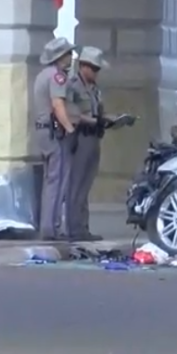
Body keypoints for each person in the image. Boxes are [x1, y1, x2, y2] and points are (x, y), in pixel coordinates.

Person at [57, 46, 131, 242]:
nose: (97, 73)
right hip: (78, 137)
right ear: (83, 66)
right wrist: (95, 121)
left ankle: (83, 227)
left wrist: (112, 120)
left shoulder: (94, 89)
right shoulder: (72, 86)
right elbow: (72, 113)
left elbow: (98, 112)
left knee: (85, 185)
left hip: (93, 138)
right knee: (75, 184)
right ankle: (73, 229)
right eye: (95, 69)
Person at [33, 37, 79, 240]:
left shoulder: (43, 75)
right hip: (54, 133)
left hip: (44, 131)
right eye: (69, 54)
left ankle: (48, 226)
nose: (71, 57)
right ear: (61, 57)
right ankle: (51, 228)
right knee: (57, 179)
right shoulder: (57, 77)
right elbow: (58, 105)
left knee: (50, 179)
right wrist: (69, 129)